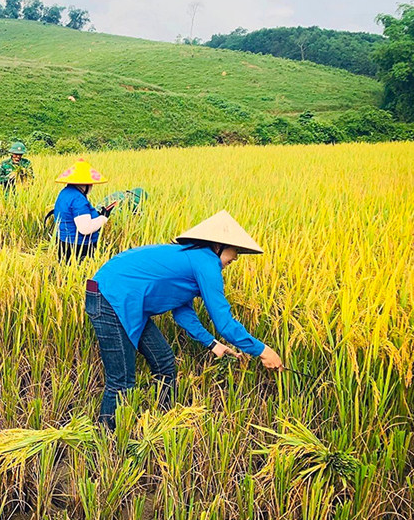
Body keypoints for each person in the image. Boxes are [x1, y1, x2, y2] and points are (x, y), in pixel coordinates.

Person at [84, 211, 285, 429]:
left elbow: (183, 313)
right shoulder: (206, 263)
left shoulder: (193, 259)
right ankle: (107, 437)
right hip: (110, 298)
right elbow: (224, 322)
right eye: (235, 250)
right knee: (121, 381)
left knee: (164, 363)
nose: (235, 258)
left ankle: (161, 424)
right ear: (218, 245)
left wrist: (213, 344)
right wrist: (263, 351)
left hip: (126, 302)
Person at [50, 159, 110, 262]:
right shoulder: (78, 199)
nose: (92, 186)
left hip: (63, 244)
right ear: (85, 184)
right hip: (79, 248)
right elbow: (85, 228)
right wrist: (103, 218)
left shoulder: (65, 192)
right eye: (90, 183)